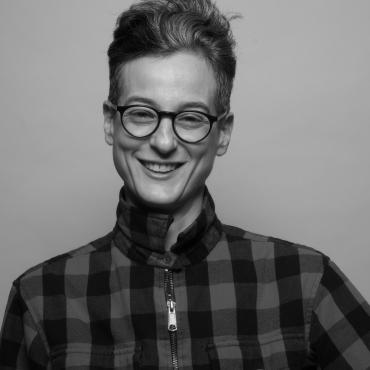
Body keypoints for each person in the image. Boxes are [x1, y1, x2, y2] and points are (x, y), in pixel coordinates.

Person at [1, 0, 369, 368]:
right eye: (142, 113)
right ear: (110, 123)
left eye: (190, 118)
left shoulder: (304, 283)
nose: (163, 142)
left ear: (222, 134)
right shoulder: (40, 299)